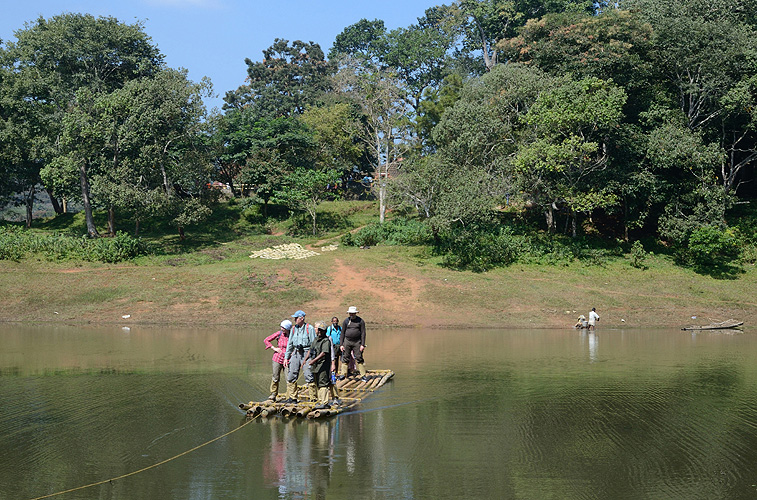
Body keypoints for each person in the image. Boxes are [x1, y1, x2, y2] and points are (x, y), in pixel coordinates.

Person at [283, 310, 316, 403]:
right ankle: (292, 397)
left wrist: (312, 357)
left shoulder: (310, 328)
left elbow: (314, 344)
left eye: (296, 318)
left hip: (306, 353)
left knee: (309, 375)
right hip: (296, 353)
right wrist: (286, 357)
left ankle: (313, 398)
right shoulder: (293, 329)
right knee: (291, 375)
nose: (295, 320)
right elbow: (290, 343)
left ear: (301, 318)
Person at [304, 321, 335, 410]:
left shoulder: (326, 341)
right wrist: (306, 359)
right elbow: (310, 349)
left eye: (322, 331)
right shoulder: (315, 339)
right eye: (319, 330)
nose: (320, 332)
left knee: (323, 383)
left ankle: (324, 402)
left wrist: (314, 360)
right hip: (315, 366)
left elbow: (324, 353)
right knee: (317, 383)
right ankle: (320, 401)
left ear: (325, 332)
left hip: (323, 365)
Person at [263, 319, 291, 401]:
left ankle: (289, 396)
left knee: (289, 378)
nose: (282, 329)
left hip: (288, 359)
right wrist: (274, 348)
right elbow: (266, 340)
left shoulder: (292, 335)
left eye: (284, 328)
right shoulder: (279, 334)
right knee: (275, 376)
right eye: (281, 327)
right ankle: (273, 393)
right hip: (277, 358)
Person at [339, 306, 367, 381]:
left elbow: (363, 333)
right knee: (345, 357)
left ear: (355, 313)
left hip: (357, 342)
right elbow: (342, 333)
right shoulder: (346, 321)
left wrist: (362, 344)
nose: (351, 315)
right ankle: (343, 374)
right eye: (350, 313)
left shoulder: (360, 321)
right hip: (347, 341)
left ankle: (363, 375)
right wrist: (341, 344)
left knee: (359, 358)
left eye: (352, 313)